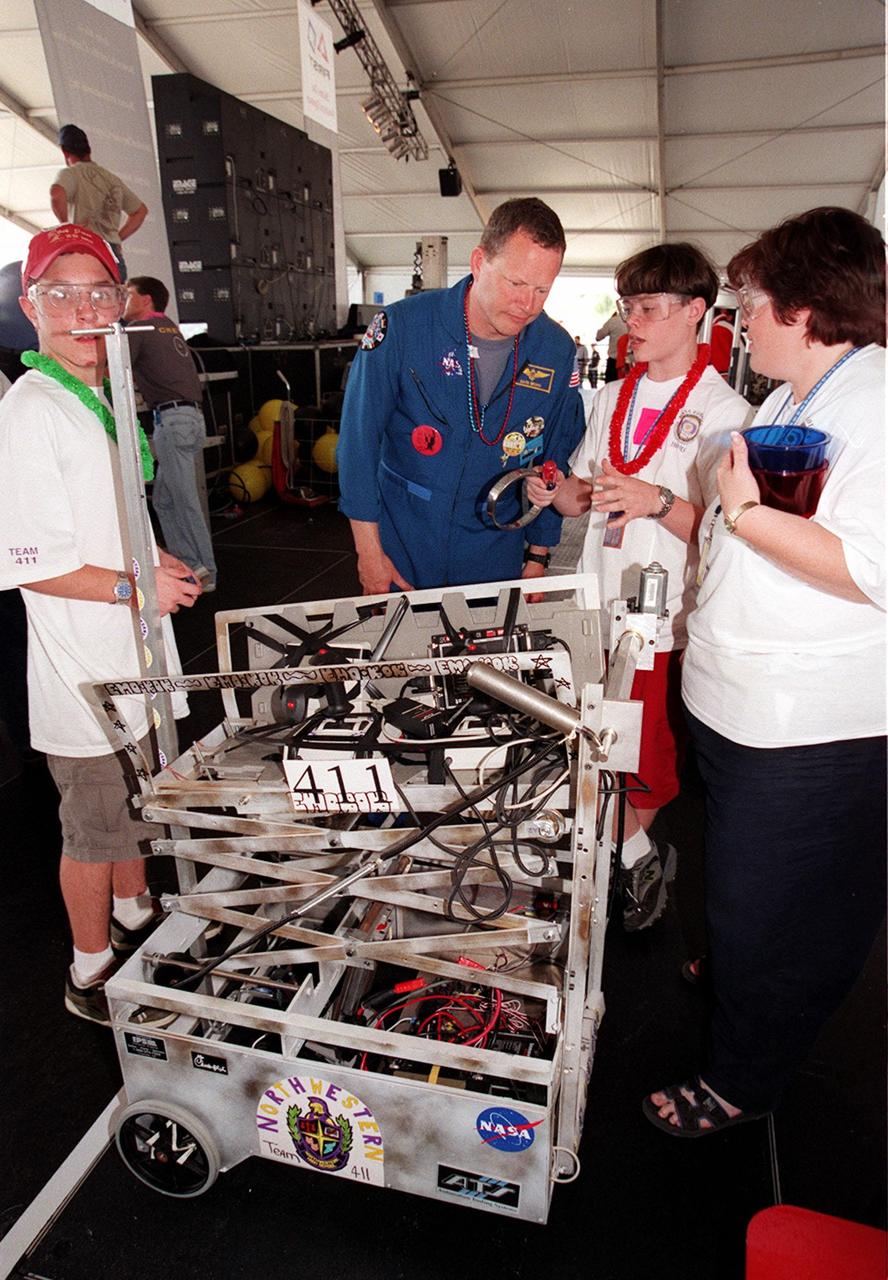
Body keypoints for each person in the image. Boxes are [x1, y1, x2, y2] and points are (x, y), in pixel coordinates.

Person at [643, 206, 885, 1135]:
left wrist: (739, 514)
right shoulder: (799, 392)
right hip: (745, 707)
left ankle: (743, 1077)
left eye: (751, 305)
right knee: (756, 897)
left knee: (774, 911)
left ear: (806, 308)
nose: (740, 322)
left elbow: (874, 569)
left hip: (811, 726)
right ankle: (756, 967)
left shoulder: (876, 404)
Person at [0, 224, 201, 1027]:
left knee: (132, 802)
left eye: (99, 292)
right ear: (31, 307)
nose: (82, 307)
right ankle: (88, 973)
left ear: (121, 304)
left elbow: (109, 513)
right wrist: (136, 587)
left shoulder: (97, 396)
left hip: (129, 652)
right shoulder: (30, 411)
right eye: (61, 293)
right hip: (82, 670)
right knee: (90, 826)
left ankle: (133, 910)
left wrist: (153, 557)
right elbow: (26, 561)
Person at [528, 243, 751, 930]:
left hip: (657, 621)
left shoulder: (726, 414)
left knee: (640, 754)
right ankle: (623, 855)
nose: (634, 323)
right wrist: (555, 490)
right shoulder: (610, 397)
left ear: (695, 313)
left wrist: (656, 501)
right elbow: (581, 497)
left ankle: (629, 858)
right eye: (628, 308)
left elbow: (726, 536)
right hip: (593, 603)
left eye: (650, 309)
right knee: (587, 739)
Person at [338, 198, 585, 593]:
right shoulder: (404, 329)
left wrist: (538, 556)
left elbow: (555, 458)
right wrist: (369, 555)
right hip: (404, 544)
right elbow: (357, 445)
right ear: (478, 262)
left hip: (495, 549)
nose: (528, 305)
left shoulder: (554, 350)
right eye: (516, 284)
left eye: (543, 289)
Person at [124, 276, 217, 591]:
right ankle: (186, 565)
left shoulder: (139, 329)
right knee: (164, 500)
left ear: (146, 299)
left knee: (183, 499)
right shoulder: (167, 326)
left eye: (128, 294)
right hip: (189, 419)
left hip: (173, 420)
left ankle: (206, 574)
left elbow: (114, 365)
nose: (123, 300)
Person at [50, 125, 147, 281]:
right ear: (88, 150)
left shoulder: (71, 173)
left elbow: (56, 195)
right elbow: (140, 211)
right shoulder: (111, 178)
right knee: (115, 301)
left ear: (64, 151)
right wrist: (117, 237)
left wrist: (65, 225)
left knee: (85, 300)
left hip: (85, 249)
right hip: (112, 252)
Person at [596, 310, 628, 382]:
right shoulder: (637, 320)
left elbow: (598, 337)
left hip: (614, 362)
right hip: (632, 362)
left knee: (610, 389)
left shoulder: (613, 321)